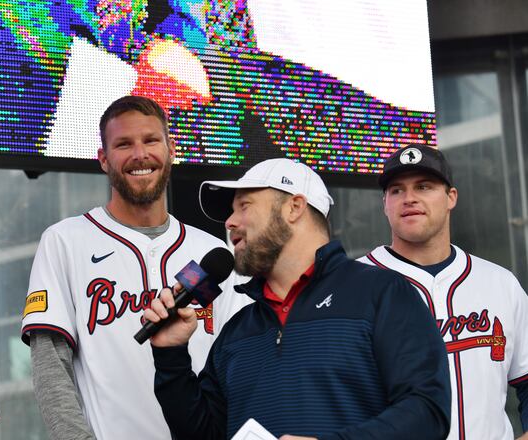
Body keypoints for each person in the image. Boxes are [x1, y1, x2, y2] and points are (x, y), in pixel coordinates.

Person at [144, 158, 452, 439]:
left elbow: (427, 413)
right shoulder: (237, 331)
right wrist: (171, 357)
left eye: (244, 206)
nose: (230, 222)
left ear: (294, 207)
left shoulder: (382, 294)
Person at [20, 95, 249, 439]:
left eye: (151, 140)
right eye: (123, 144)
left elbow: (241, 365)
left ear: (171, 149)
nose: (140, 154)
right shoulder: (66, 241)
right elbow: (51, 365)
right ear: (103, 159)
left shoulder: (211, 252)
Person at [359, 144, 528, 440]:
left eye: (424, 186)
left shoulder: (500, 283)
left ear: (451, 197)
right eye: (396, 190)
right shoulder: (351, 286)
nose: (409, 198)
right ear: (384, 203)